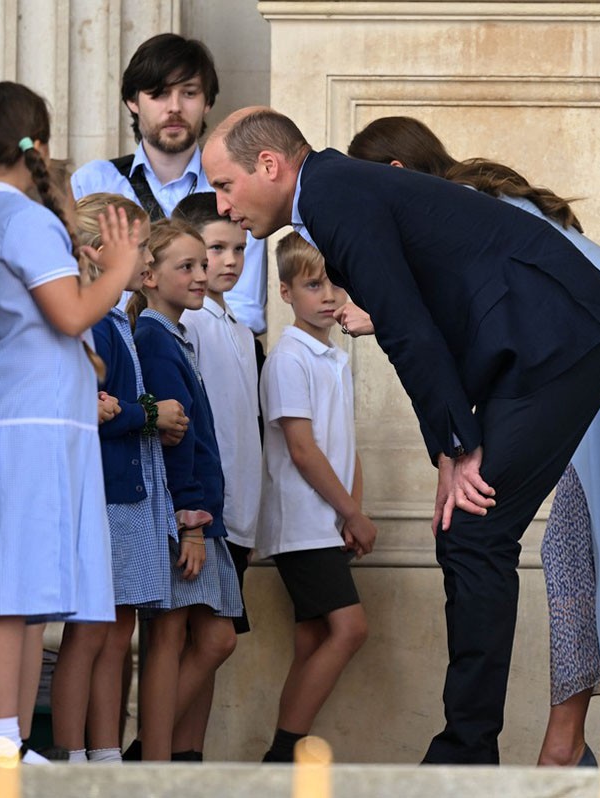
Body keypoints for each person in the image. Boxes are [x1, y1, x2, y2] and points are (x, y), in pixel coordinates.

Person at [202, 107, 600, 765]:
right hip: (539, 346)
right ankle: (467, 748)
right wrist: (451, 450)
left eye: (226, 185)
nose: (223, 205)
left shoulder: (337, 195)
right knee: (465, 530)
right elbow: (430, 314)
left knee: (475, 530)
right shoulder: (335, 193)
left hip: (559, 342)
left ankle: (465, 753)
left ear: (269, 165)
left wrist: (457, 446)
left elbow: (407, 327)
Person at [346, 115, 600, 766]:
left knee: (582, 546)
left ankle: (571, 746)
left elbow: (472, 326)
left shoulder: (456, 210)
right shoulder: (487, 200)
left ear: (395, 178)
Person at [0, 81, 141, 761]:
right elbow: (68, 313)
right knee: (9, 588)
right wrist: (120, 270)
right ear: (35, 142)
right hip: (31, 422)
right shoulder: (22, 216)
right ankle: (2, 742)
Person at [51, 193, 190, 764]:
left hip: (128, 495)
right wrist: (151, 414)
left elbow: (116, 400)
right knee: (89, 632)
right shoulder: (95, 322)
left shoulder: (115, 321)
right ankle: (69, 750)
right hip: (104, 495)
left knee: (117, 630)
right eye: (136, 245)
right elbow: (95, 406)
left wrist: (135, 409)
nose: (146, 257)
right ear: (98, 251)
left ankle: (105, 748)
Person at [126, 218, 242, 760]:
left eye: (203, 264)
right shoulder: (152, 336)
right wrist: (191, 522)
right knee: (176, 639)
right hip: (183, 515)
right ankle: (146, 761)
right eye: (187, 266)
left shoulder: (174, 334)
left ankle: (154, 754)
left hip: (199, 513)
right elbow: (175, 439)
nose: (203, 275)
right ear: (149, 276)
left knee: (208, 638)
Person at [257, 232, 372, 762]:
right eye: (311, 285)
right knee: (350, 629)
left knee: (310, 642)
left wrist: (354, 509)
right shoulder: (288, 359)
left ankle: (282, 763)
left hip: (329, 522)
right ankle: (282, 757)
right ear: (285, 293)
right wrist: (349, 511)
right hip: (302, 524)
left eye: (333, 283)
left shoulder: (333, 358)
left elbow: (345, 444)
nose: (327, 295)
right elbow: (303, 451)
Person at [71, 33, 267, 334]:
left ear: (207, 103)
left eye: (189, 93)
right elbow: (72, 291)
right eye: (159, 94)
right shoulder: (94, 181)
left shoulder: (237, 189)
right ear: (132, 101)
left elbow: (246, 307)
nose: (174, 107)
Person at [171, 192, 261, 761]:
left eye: (238, 250)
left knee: (205, 654)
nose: (226, 262)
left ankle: (187, 761)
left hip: (239, 513)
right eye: (213, 251)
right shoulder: (194, 321)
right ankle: (145, 749)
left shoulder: (235, 325)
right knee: (199, 643)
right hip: (207, 510)